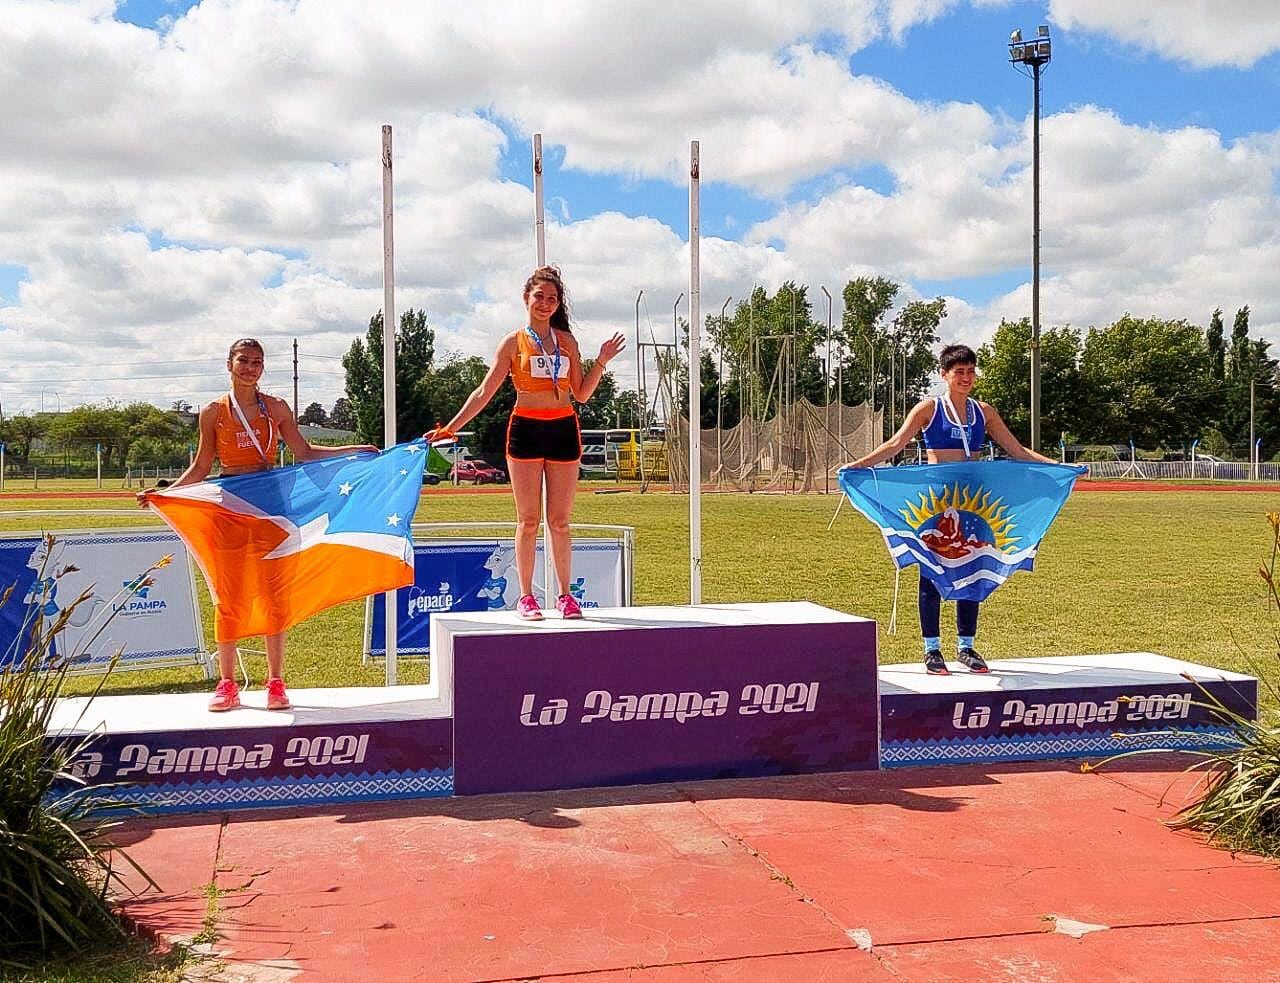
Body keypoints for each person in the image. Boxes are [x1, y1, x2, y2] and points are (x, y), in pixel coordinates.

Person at [139, 338, 377, 711]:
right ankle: (227, 683)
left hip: (271, 508)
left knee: (273, 594)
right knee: (229, 595)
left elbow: (304, 453)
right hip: (230, 506)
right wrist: (165, 493)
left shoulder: (277, 408)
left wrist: (354, 450)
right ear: (229, 364)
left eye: (257, 362)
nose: (250, 367)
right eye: (244, 360)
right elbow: (202, 467)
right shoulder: (213, 412)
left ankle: (276, 681)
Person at [843, 343, 1056, 675]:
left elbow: (1017, 450)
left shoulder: (984, 412)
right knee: (931, 572)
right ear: (944, 375)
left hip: (973, 503)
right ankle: (932, 649)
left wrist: (1059, 467)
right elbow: (895, 444)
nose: (967, 378)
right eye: (960, 372)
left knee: (973, 569)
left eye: (971, 371)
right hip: (935, 504)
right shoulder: (929, 409)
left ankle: (966, 646)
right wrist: (857, 465)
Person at [429, 266, 625, 620]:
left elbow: (580, 393)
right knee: (529, 519)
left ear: (558, 303)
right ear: (526, 298)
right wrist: (451, 428)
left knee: (560, 521)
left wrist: (602, 362)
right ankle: (525, 597)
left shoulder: (567, 342)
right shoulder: (512, 343)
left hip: (564, 429)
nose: (545, 303)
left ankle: (566, 596)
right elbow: (483, 392)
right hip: (525, 430)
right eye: (539, 297)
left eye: (552, 298)